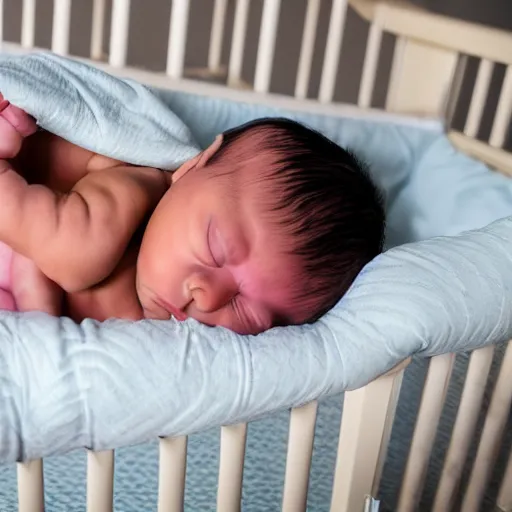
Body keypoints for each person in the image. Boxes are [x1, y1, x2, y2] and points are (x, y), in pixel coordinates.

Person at [0, 98, 385, 334]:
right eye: (215, 246)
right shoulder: (135, 184)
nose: (207, 295)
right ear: (192, 169)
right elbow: (63, 250)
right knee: (82, 251)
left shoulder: (168, 352)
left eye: (247, 313)